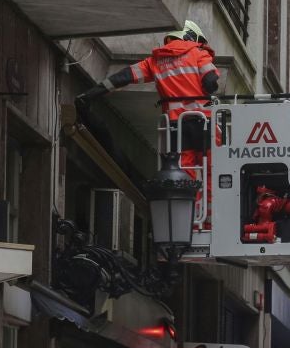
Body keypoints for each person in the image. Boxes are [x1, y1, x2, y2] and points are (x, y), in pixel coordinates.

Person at [75, 20, 220, 226]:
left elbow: (123, 77)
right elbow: (211, 80)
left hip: (174, 126)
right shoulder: (198, 53)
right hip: (202, 122)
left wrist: (90, 94)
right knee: (213, 166)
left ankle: (190, 221)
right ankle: (211, 219)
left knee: (185, 172)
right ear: (192, 37)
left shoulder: (156, 61)